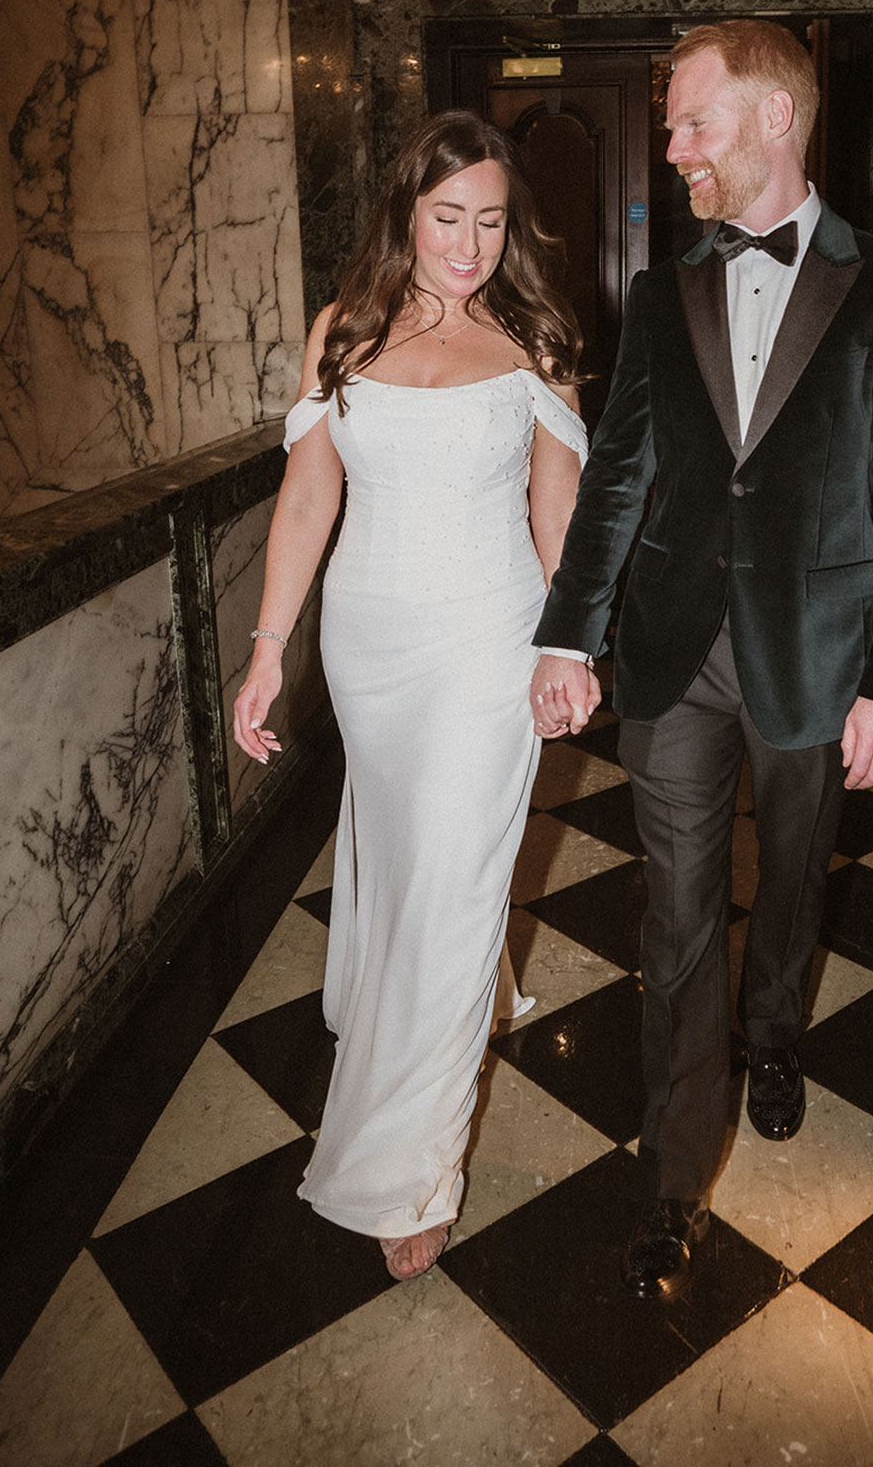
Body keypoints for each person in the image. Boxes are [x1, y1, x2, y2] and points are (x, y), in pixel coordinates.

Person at [530, 19, 873, 1298]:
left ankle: (777, 1035)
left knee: (796, 880)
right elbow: (616, 479)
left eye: (692, 123)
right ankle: (674, 1171)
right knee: (675, 912)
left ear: (777, 119)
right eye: (670, 129)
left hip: (819, 659)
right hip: (672, 654)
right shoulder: (664, 290)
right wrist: (567, 626)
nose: (672, 151)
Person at [234, 110, 586, 1281]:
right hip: (371, 647)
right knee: (401, 848)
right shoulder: (345, 334)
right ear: (406, 213)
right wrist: (269, 648)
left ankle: (407, 1170)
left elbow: (557, 513)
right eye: (449, 218)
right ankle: (419, 983)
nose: (471, 242)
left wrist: (570, 648)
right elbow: (304, 502)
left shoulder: (535, 336)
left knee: (446, 871)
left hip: (488, 640)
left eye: (491, 220)